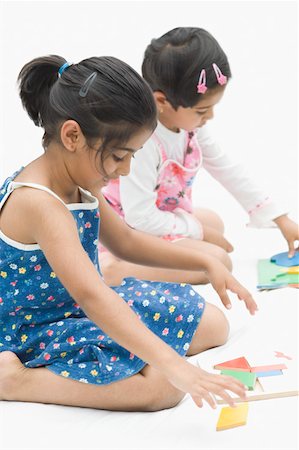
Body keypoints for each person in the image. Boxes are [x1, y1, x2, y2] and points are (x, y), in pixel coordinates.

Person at [0, 54, 257, 412]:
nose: (126, 170)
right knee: (165, 386)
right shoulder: (40, 203)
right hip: (38, 327)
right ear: (73, 136)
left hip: (79, 306)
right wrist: (176, 365)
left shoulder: (78, 179)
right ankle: (16, 381)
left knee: (214, 326)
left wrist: (202, 261)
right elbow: (92, 295)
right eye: (120, 155)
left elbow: (126, 241)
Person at [101, 27, 299, 285]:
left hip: (154, 217)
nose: (210, 117)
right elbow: (139, 217)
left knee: (214, 222)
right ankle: (117, 268)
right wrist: (198, 231)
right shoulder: (143, 142)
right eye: (202, 109)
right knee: (217, 263)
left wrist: (279, 218)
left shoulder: (189, 127)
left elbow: (227, 168)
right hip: (125, 231)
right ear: (161, 100)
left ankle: (170, 246)